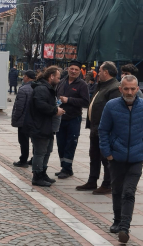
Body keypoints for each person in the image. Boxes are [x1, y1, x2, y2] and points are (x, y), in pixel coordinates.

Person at [99, 75, 143, 243]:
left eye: (133, 89)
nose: (130, 92)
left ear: (137, 89)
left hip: (136, 158)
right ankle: (117, 221)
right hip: (116, 157)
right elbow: (103, 130)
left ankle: (125, 227)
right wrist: (107, 152)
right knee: (116, 191)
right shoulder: (111, 106)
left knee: (129, 192)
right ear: (120, 89)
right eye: (126, 88)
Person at [76, 61, 121, 194]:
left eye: (100, 70)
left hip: (105, 131)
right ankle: (92, 180)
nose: (98, 72)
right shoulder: (101, 86)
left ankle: (107, 184)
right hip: (96, 129)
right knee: (94, 156)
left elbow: (115, 112)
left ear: (106, 72)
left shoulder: (114, 88)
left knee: (105, 158)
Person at [24, 66, 65, 187]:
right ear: (51, 76)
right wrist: (55, 110)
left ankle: (43, 173)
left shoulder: (48, 88)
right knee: (40, 152)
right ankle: (37, 176)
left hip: (46, 126)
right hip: (39, 125)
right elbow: (40, 105)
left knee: (47, 151)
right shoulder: (42, 88)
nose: (58, 80)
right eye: (57, 78)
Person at [55, 60, 89, 179]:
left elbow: (85, 102)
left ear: (80, 71)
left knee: (71, 143)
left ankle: (67, 169)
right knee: (60, 143)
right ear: (68, 69)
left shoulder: (82, 85)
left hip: (74, 118)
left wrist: (68, 100)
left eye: (76, 70)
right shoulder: (62, 82)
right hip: (60, 119)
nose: (73, 71)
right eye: (72, 69)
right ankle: (64, 166)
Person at [12, 70, 36, 167]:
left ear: (26, 77)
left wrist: (15, 117)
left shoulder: (23, 89)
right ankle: (34, 159)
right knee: (35, 141)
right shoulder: (38, 88)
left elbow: (19, 107)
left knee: (23, 141)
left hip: (24, 120)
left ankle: (23, 160)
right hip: (35, 119)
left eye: (24, 76)